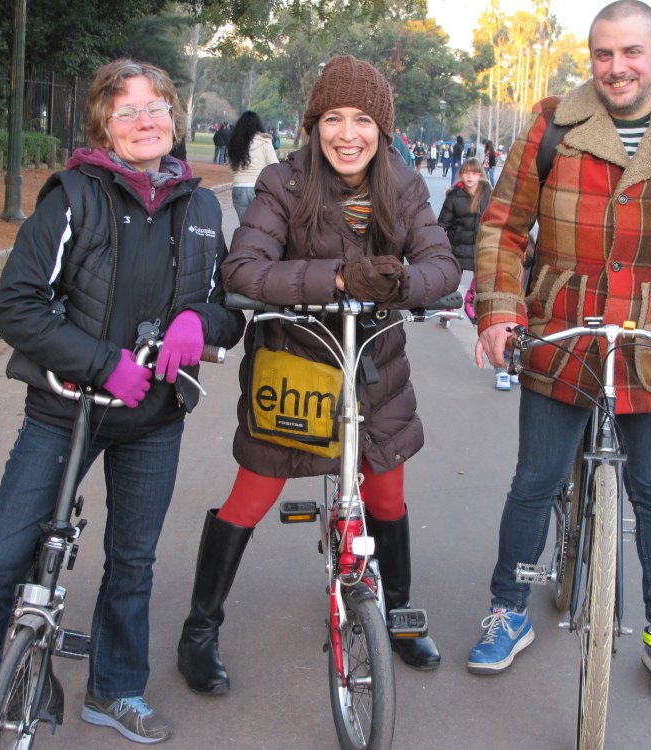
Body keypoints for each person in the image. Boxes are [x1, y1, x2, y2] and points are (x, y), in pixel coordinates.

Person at [0, 59, 245, 748]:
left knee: (133, 561)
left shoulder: (200, 207)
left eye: (155, 107)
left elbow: (227, 309)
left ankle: (115, 689)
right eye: (127, 111)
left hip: (155, 416)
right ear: (103, 126)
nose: (145, 121)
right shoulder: (73, 196)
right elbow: (18, 305)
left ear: (174, 117)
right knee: (3, 557)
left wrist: (202, 322)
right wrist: (103, 364)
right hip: (65, 408)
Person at [468, 0, 651, 707]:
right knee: (534, 481)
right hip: (563, 334)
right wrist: (501, 312)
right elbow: (504, 226)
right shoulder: (552, 124)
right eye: (603, 54)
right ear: (590, 58)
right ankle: (508, 609)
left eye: (631, 52)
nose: (617, 67)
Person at [175, 54, 461, 698]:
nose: (347, 134)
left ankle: (398, 611)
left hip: (375, 368)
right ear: (313, 125)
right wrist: (337, 278)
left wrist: (399, 282)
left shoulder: (404, 185)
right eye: (333, 118)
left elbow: (442, 267)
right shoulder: (283, 182)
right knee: (252, 496)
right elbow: (243, 270)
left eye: (363, 119)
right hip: (295, 365)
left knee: (386, 496)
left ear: (382, 128)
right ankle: (199, 629)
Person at [437, 157, 494, 338]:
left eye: (474, 173)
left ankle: (470, 302)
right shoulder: (454, 196)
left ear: (480, 175)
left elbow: (494, 220)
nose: (470, 177)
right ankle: (449, 306)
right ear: (461, 174)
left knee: (480, 278)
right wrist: (437, 244)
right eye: (466, 173)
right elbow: (442, 223)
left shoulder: (488, 194)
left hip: (481, 246)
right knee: (454, 277)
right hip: (457, 244)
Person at [228, 110, 279, 222]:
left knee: (244, 227)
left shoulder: (235, 143)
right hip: (258, 188)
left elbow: (232, 169)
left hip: (238, 187)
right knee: (259, 226)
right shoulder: (265, 141)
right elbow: (274, 166)